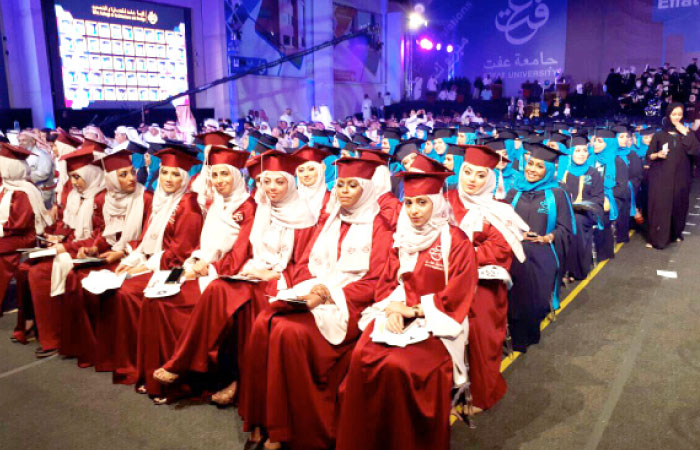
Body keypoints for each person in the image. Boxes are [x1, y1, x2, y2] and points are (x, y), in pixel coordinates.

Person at [239, 157, 393, 450]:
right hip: (316, 293)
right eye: (342, 185)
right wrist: (299, 288)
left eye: (352, 186)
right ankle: (261, 419)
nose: (344, 191)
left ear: (368, 189)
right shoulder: (330, 218)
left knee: (289, 333)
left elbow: (375, 282)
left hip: (351, 304)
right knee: (264, 323)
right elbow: (308, 264)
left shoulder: (381, 227)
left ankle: (291, 430)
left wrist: (325, 293)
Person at [152, 151, 316, 405]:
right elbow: (249, 251)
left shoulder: (303, 217)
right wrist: (199, 263)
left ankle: (191, 367)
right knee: (197, 291)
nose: (271, 187)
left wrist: (272, 274)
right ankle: (193, 371)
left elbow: (304, 264)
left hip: (281, 281)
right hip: (249, 274)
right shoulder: (262, 209)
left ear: (290, 183)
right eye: (266, 181)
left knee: (221, 293)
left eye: (279, 181)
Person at [336, 171, 478, 450]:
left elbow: (458, 295)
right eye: (409, 202)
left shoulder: (456, 241)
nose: (413, 210)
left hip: (440, 319)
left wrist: (413, 310)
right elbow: (387, 283)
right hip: (397, 311)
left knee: (401, 367)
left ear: (436, 203)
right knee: (363, 356)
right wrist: (391, 309)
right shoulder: (402, 237)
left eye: (422, 202)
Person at [136, 146, 252, 403]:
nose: (219, 181)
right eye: (215, 175)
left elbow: (241, 253)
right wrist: (194, 261)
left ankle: (183, 381)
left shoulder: (248, 206)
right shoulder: (217, 203)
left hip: (224, 276)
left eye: (225, 174)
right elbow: (203, 244)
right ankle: (156, 378)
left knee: (169, 303)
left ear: (237, 175)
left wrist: (208, 268)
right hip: (199, 267)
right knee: (154, 294)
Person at [100, 148, 204, 384]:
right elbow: (147, 239)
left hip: (177, 267)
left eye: (175, 174)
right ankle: (132, 361)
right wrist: (132, 261)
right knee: (117, 287)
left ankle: (145, 365)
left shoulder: (189, 205)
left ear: (185, 178)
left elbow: (180, 251)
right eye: (164, 172)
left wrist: (144, 267)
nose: (168, 179)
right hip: (156, 262)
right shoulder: (160, 198)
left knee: (129, 293)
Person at [447, 145, 527, 412]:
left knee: (479, 325)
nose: (472, 179)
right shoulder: (445, 201)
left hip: (483, 281)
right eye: (467, 172)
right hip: (443, 276)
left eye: (481, 175)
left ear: (491, 179)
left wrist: (462, 255)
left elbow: (500, 250)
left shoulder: (499, 210)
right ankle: (444, 389)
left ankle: (483, 392)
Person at [59, 149, 153, 368]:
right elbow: (105, 233)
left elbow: (150, 236)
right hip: (113, 253)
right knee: (77, 276)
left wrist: (124, 252)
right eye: (123, 174)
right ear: (110, 178)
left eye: (132, 172)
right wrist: (93, 249)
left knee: (110, 288)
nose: (131, 178)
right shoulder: (105, 199)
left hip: (136, 256)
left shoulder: (145, 198)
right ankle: (91, 347)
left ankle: (114, 351)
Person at [27, 146, 107, 358]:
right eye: (71, 177)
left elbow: (102, 236)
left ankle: (56, 338)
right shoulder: (76, 196)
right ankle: (50, 334)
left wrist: (66, 246)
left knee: (39, 273)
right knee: (30, 266)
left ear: (91, 174)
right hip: (75, 248)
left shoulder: (102, 198)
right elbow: (69, 226)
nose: (74, 182)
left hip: (92, 253)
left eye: (78, 177)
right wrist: (59, 237)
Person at [505, 143, 575, 351]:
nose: (532, 169)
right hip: (514, 250)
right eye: (530, 163)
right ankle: (515, 336)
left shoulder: (556, 194)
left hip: (542, 252)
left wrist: (548, 237)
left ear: (549, 171)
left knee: (533, 297)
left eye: (539, 166)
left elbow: (566, 228)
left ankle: (529, 333)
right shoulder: (515, 191)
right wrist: (517, 234)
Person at [1, 143, 54, 322]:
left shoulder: (24, 191)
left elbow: (18, 224)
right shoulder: (7, 187)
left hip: (23, 237)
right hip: (9, 234)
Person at [646, 103, 700, 249]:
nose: (677, 118)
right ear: (668, 116)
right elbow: (649, 155)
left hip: (681, 177)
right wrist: (658, 154)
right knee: (661, 206)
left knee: (678, 205)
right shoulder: (659, 135)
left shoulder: (687, 134)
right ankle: (657, 238)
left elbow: (695, 151)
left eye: (679, 115)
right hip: (661, 177)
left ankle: (675, 233)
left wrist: (686, 133)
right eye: (674, 114)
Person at [559, 136, 605, 280]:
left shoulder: (593, 172)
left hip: (584, 214)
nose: (581, 154)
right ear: (571, 153)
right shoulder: (562, 171)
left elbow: (598, 197)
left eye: (584, 150)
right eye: (577, 150)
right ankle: (557, 269)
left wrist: (585, 205)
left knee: (576, 222)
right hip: (563, 212)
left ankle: (575, 269)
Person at [293, 146, 332, 222]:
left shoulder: (331, 199)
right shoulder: (292, 199)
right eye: (301, 170)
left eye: (311, 169)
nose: (306, 174)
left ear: (321, 169)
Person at [18, 131, 55, 208]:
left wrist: (24, 176)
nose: (21, 143)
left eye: (24, 140)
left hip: (43, 194)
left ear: (33, 141)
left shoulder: (42, 155)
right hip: (29, 192)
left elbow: (43, 174)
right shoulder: (22, 156)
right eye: (19, 141)